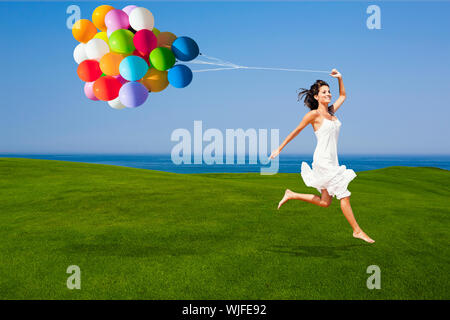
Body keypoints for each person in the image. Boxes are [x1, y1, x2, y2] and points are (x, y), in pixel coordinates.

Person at [269, 69, 375, 243]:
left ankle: (291, 194)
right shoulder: (314, 115)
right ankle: (356, 230)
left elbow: (343, 95)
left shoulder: (331, 112)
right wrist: (279, 149)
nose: (328, 94)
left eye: (328, 91)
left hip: (332, 160)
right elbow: (296, 131)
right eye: (324, 92)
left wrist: (340, 77)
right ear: (316, 97)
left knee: (325, 202)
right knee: (344, 194)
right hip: (323, 161)